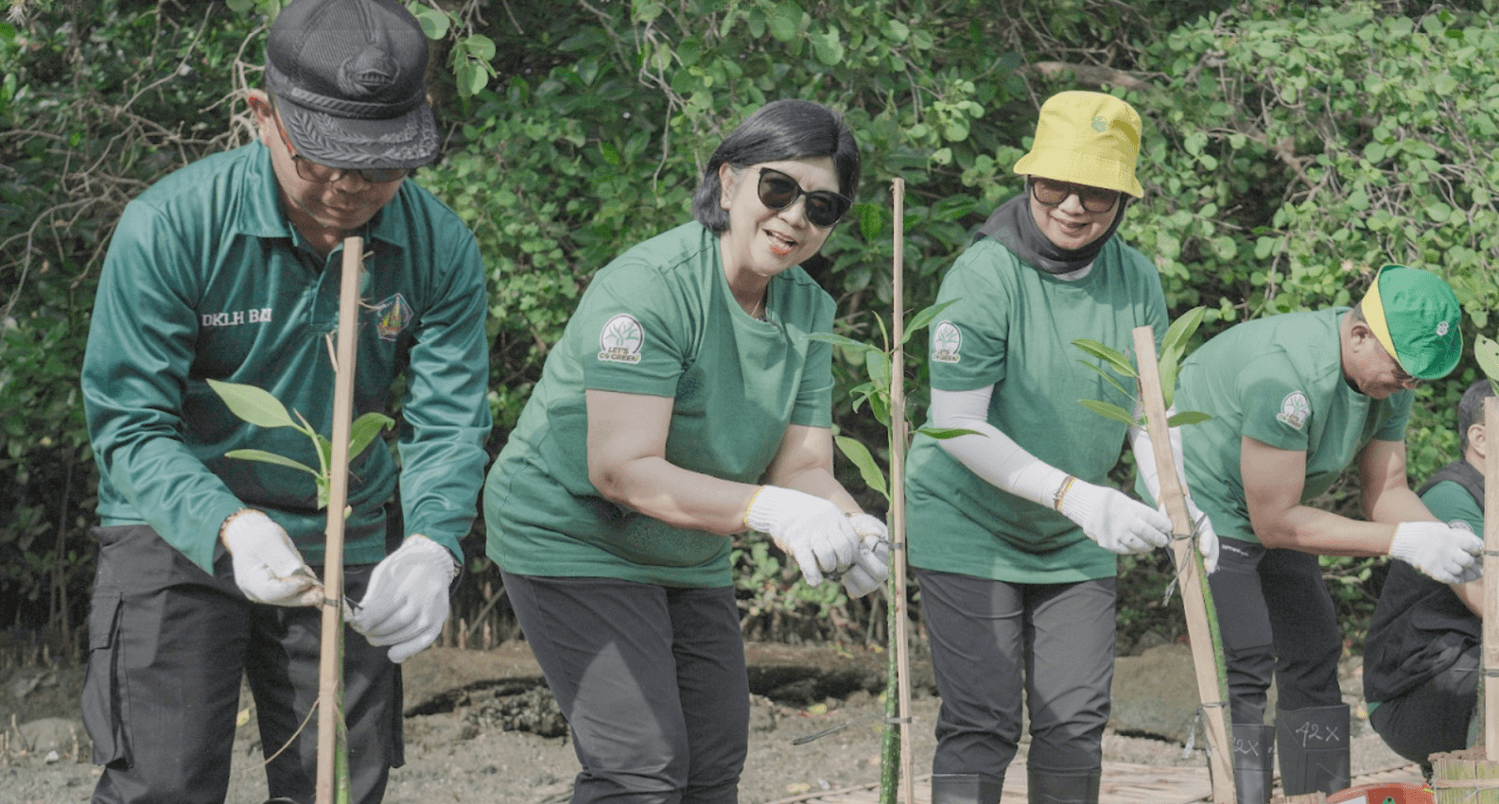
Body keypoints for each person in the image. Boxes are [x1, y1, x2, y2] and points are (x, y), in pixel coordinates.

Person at [77, 0, 492, 801]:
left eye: (381, 165)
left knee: (335, 783)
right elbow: (130, 426)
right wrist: (228, 525)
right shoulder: (170, 227)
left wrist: (434, 543)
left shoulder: (438, 247)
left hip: (344, 532)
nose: (351, 189)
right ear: (261, 114)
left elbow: (448, 420)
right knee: (160, 783)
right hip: (173, 527)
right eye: (323, 160)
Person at [482, 98, 888, 804]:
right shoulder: (650, 290)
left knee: (711, 762)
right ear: (727, 181)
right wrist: (773, 512)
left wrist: (851, 522)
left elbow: (802, 466)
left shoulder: (807, 310)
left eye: (821, 207)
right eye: (778, 189)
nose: (795, 217)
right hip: (574, 535)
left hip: (685, 545)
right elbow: (622, 471)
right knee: (639, 769)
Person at [904, 90, 1216, 804]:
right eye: (1054, 184)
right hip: (969, 522)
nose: (1073, 205)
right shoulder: (983, 276)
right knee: (981, 718)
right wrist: (1076, 496)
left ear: (1123, 199)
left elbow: (1146, 412)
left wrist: (1178, 500)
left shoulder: (1133, 276)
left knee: (1073, 719)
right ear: (1028, 179)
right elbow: (955, 424)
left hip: (1074, 530)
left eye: (1097, 190)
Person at [1166, 263, 1481, 803]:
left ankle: (1319, 797)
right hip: (1213, 502)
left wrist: (1447, 542)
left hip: (1283, 503)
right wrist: (1402, 542)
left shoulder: (1391, 376)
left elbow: (1385, 491)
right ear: (1360, 335)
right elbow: (1275, 523)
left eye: (1419, 379)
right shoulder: (1286, 376)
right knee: (1244, 659)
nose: (1409, 387)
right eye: (1404, 373)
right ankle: (1241, 798)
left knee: (1315, 646)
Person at [1364, 379, 1492, 779]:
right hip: (1410, 691)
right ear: (1480, 438)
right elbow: (1491, 601)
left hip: (1461, 670)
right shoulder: (1453, 496)